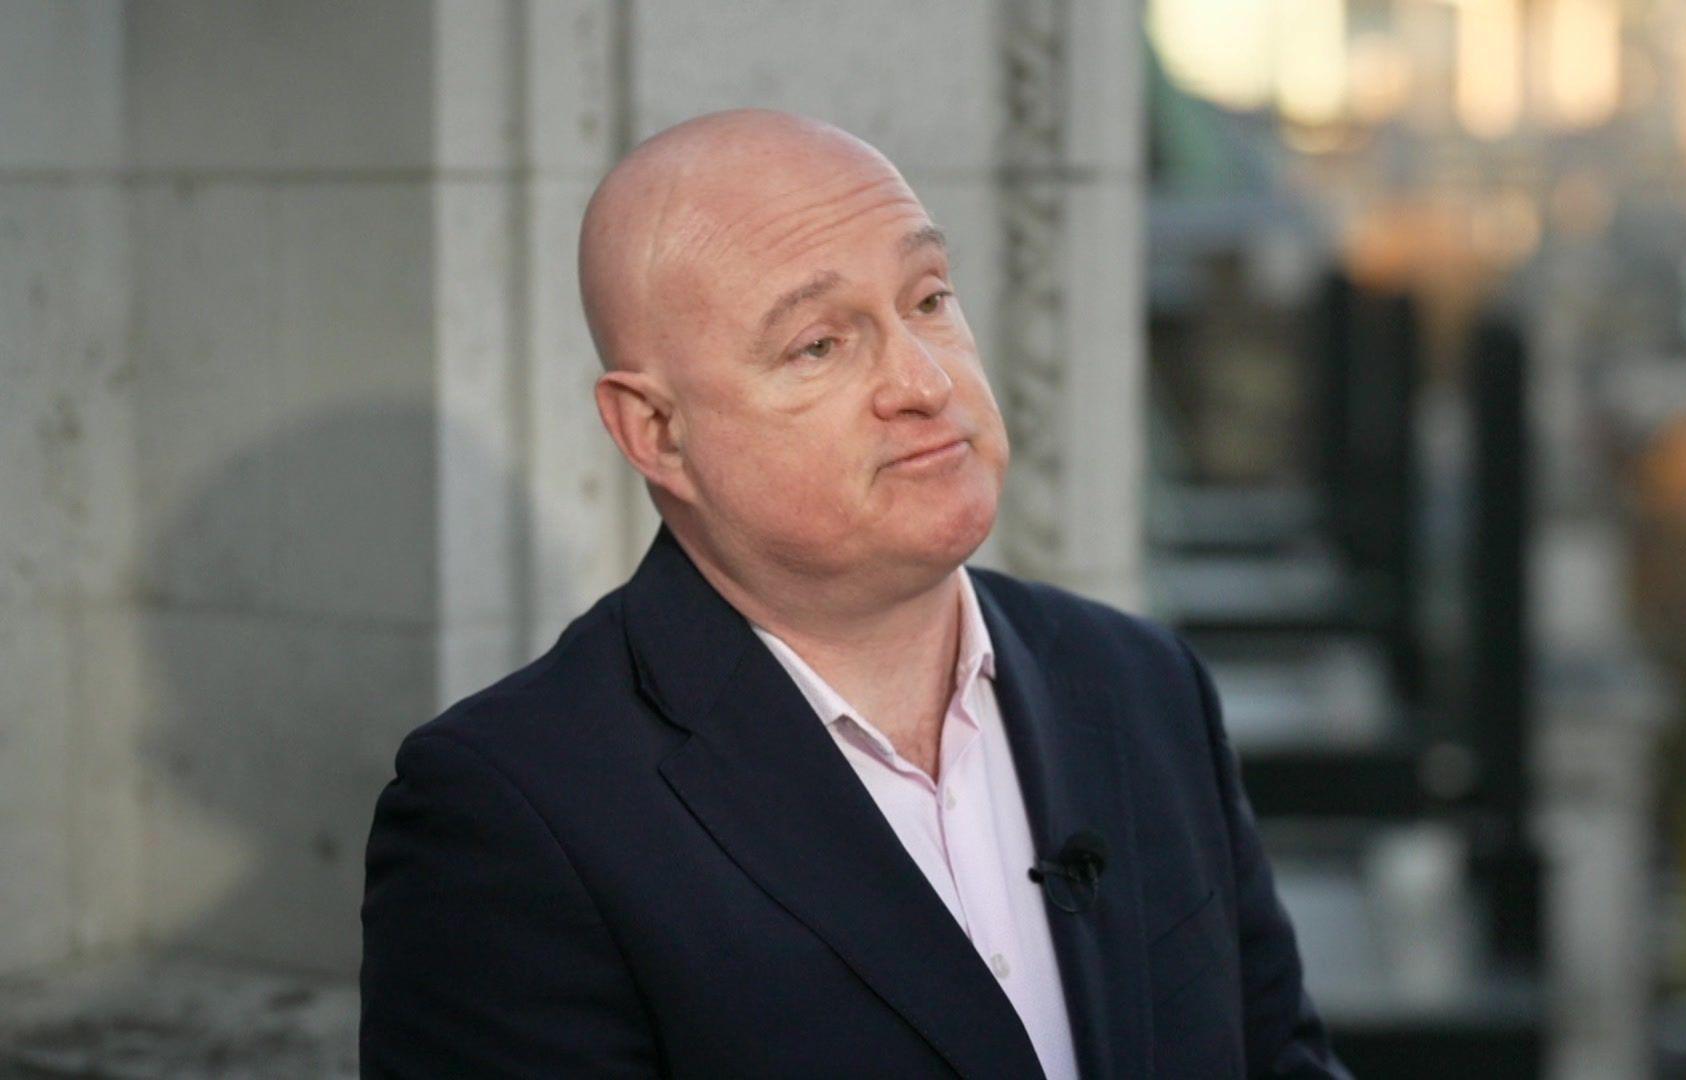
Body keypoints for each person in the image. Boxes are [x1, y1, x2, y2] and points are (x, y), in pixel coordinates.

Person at [359, 109, 1346, 1078]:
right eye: (820, 344)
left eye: (928, 300)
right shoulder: (510, 813)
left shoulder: (1140, 682)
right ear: (657, 431)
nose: (923, 381)